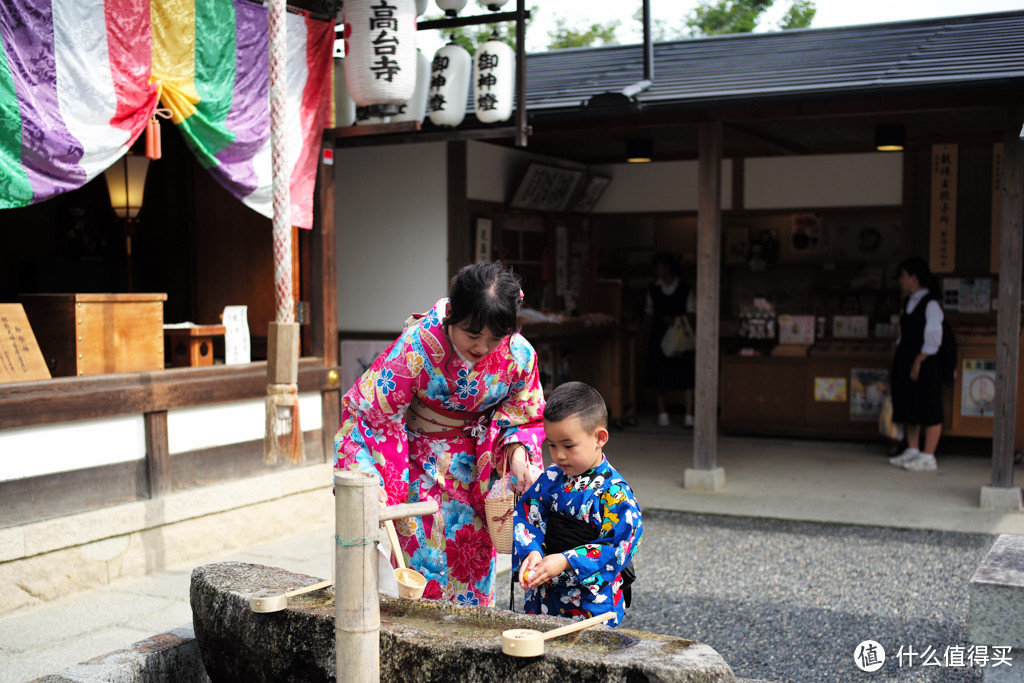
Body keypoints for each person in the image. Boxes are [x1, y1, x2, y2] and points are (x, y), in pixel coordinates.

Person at [334, 261, 546, 606]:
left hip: (478, 472)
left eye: (495, 338)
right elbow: (369, 415)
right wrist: (370, 481)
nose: (483, 347)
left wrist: (518, 451)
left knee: (474, 565)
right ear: (451, 315)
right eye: (472, 334)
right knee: (422, 568)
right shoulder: (418, 347)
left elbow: (524, 411)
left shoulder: (518, 353)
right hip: (420, 468)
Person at [513, 381, 643, 626]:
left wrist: (566, 560)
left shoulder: (615, 492)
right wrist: (531, 551)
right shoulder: (550, 478)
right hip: (545, 594)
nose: (559, 455)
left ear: (599, 438)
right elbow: (527, 517)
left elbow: (618, 544)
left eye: (568, 446)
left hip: (590, 603)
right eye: (551, 445)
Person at [888, 257, 945, 472]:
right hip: (906, 356)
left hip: (925, 359)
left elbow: (934, 336)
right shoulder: (907, 302)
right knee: (908, 402)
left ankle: (928, 455)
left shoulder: (930, 303)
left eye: (903, 276)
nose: (900, 280)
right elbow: (904, 334)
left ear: (913, 278)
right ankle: (912, 450)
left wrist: (919, 360)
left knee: (929, 404)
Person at [644, 251, 696, 427]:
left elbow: (691, 312)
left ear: (669, 268)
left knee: (686, 374)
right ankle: (662, 413)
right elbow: (648, 313)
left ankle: (689, 415)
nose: (658, 270)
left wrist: (677, 320)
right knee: (660, 374)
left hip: (680, 335)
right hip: (659, 334)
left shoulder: (684, 288)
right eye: (657, 266)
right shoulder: (653, 289)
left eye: (661, 266)